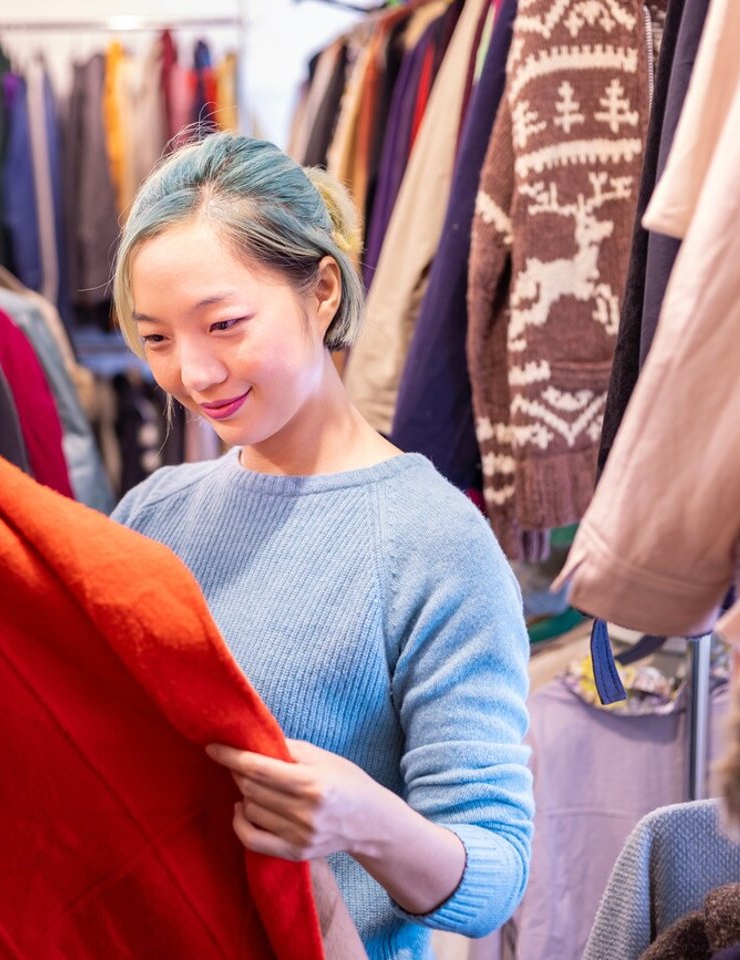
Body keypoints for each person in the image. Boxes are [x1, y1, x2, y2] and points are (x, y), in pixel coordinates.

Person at [109, 131, 534, 959]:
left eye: (224, 324)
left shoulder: (434, 542)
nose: (192, 374)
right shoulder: (151, 513)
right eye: (156, 338)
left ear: (323, 292)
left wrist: (365, 820)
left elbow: (495, 875)